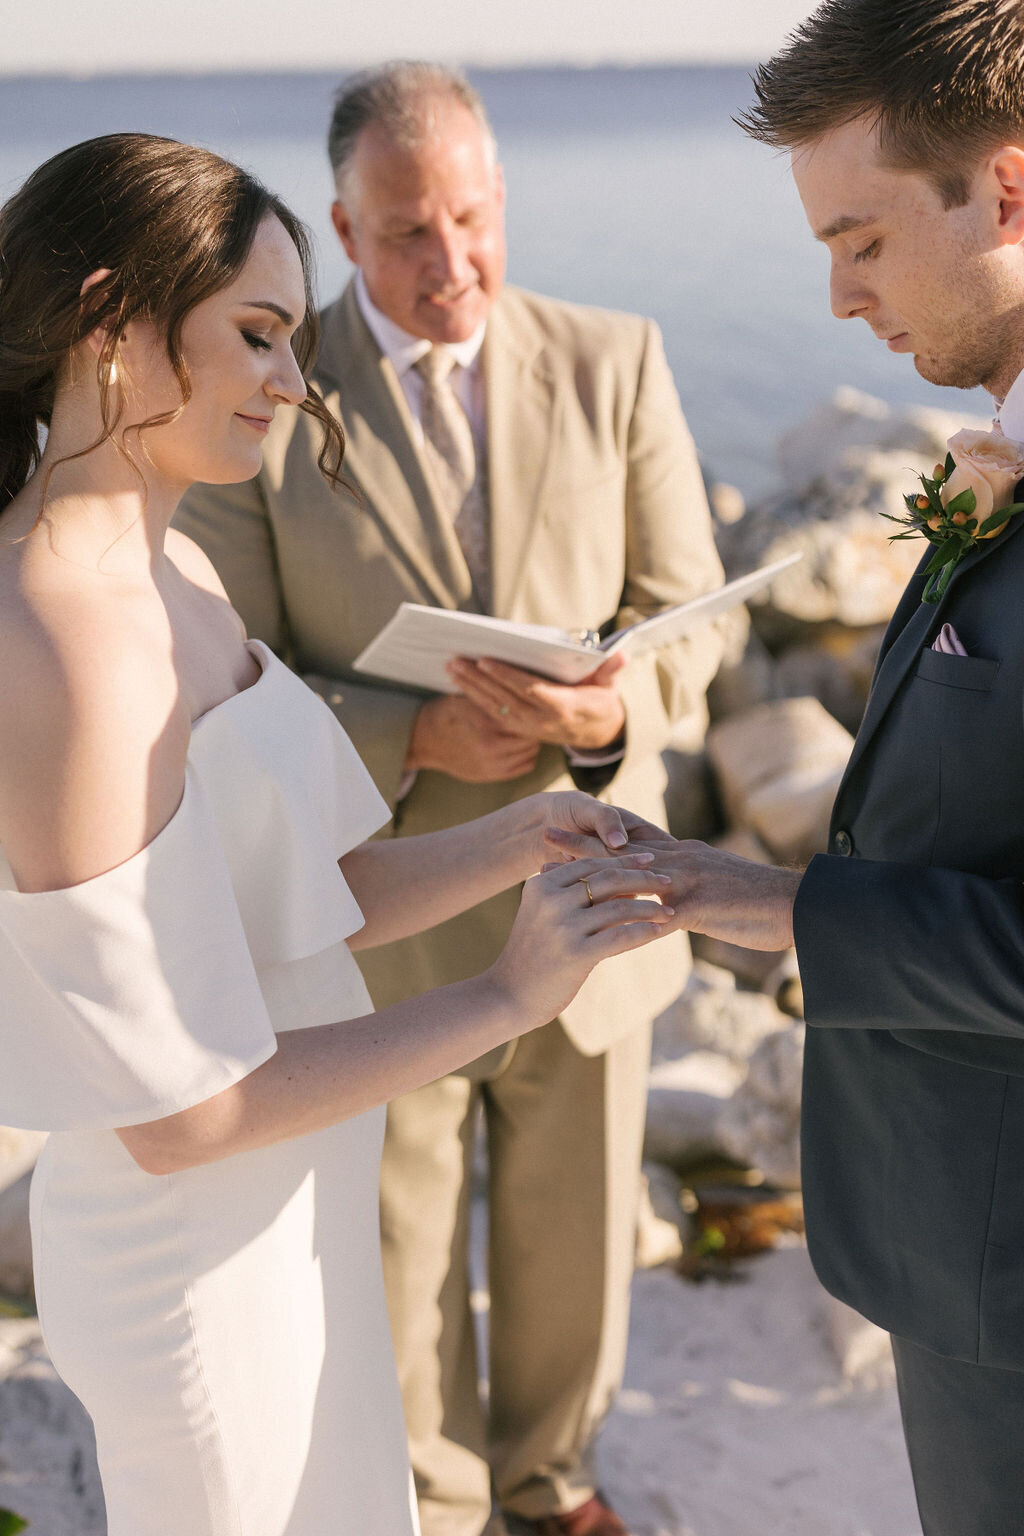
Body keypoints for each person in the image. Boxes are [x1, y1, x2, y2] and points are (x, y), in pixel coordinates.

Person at [0, 131, 679, 1536]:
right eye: (256, 336)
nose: (296, 384)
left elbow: (302, 896)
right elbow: (182, 1114)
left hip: (294, 1218)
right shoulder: (60, 642)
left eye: (296, 340)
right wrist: (504, 996)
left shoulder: (176, 567)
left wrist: (519, 840)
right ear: (108, 322)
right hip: (189, 1265)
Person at [176, 62, 725, 1536]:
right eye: (407, 231)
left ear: (502, 199)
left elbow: (697, 612)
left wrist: (614, 715)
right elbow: (229, 668)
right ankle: (438, 1500)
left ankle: (556, 1487)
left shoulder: (619, 356)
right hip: (384, 913)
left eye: (473, 218)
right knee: (399, 1244)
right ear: (345, 233)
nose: (451, 261)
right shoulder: (266, 401)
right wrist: (404, 738)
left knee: (574, 1224)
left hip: (599, 877)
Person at [630, 3, 1024, 1532]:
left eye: (860, 239)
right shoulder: (993, 448)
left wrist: (774, 904)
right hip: (957, 1250)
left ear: (1005, 188)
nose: (841, 299)